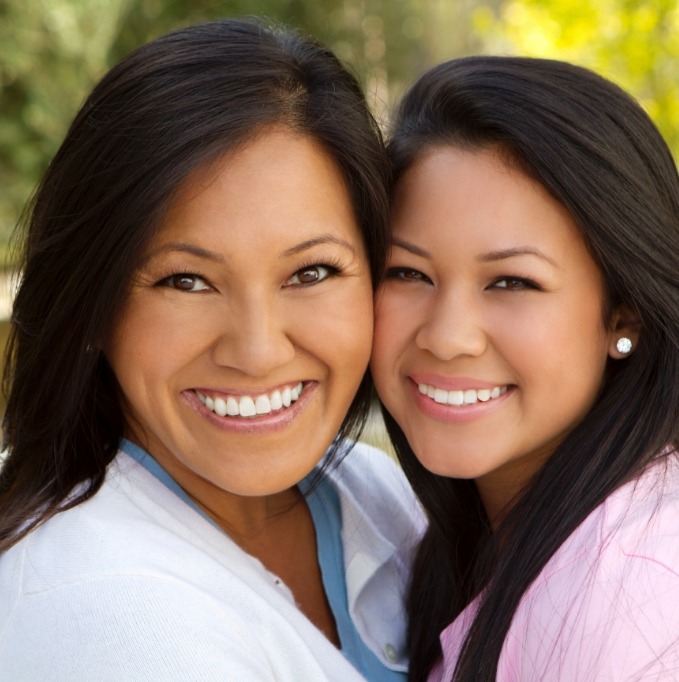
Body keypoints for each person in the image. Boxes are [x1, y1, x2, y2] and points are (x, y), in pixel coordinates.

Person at [0, 18, 424, 681]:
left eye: (310, 272)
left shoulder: (377, 495)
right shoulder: (102, 615)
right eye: (185, 281)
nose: (256, 351)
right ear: (92, 307)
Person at [370, 55, 679, 681]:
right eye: (408, 273)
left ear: (624, 316)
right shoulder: (464, 543)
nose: (448, 337)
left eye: (513, 281)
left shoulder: (634, 602)